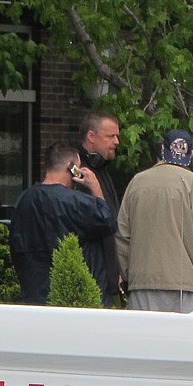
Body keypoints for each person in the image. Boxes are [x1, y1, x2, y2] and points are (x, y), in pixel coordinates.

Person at [115, 129, 193, 313]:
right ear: (191, 154)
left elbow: (122, 236)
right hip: (184, 286)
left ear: (162, 149)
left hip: (142, 284)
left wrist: (130, 274)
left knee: (144, 339)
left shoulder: (137, 182)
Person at [9, 143, 115, 305]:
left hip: (34, 294)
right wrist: (95, 186)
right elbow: (106, 221)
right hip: (75, 298)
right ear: (71, 168)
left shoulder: (23, 200)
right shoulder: (73, 201)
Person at [78, 110, 122, 305]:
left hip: (105, 272)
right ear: (91, 136)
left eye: (117, 136)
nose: (116, 142)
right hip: (91, 271)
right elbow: (98, 221)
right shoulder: (81, 172)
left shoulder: (102, 169)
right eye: (110, 136)